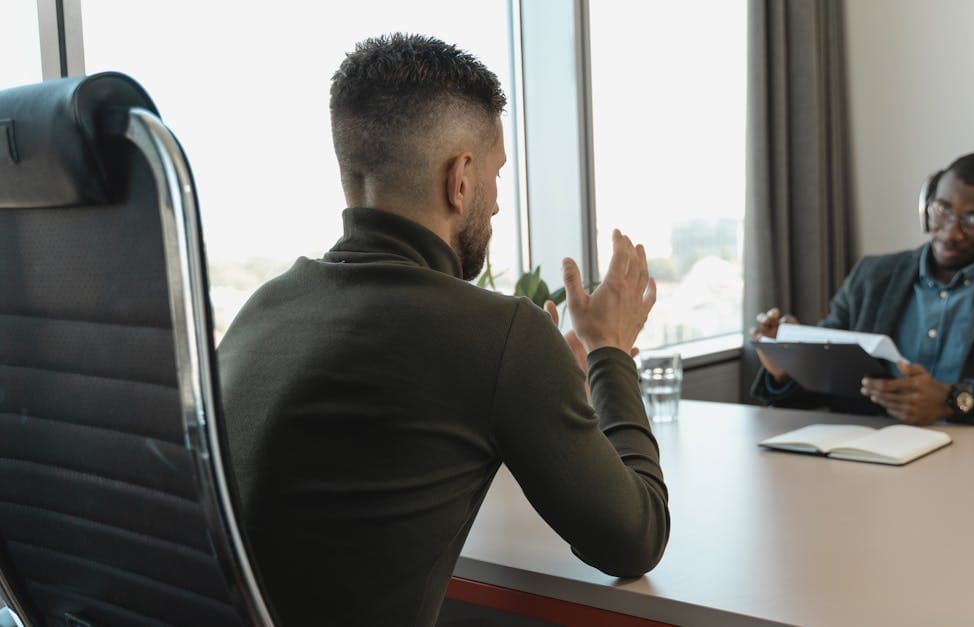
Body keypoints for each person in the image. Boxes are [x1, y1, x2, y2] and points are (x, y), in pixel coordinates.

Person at [218, 34, 668, 627]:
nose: (498, 204)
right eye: (496, 174)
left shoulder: (261, 311)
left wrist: (546, 380)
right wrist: (610, 350)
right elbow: (635, 539)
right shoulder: (497, 332)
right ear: (460, 179)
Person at [751, 152, 974, 433]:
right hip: (871, 464)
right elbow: (826, 383)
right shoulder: (872, 276)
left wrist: (955, 400)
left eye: (973, 219)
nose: (950, 233)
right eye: (942, 211)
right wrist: (787, 363)